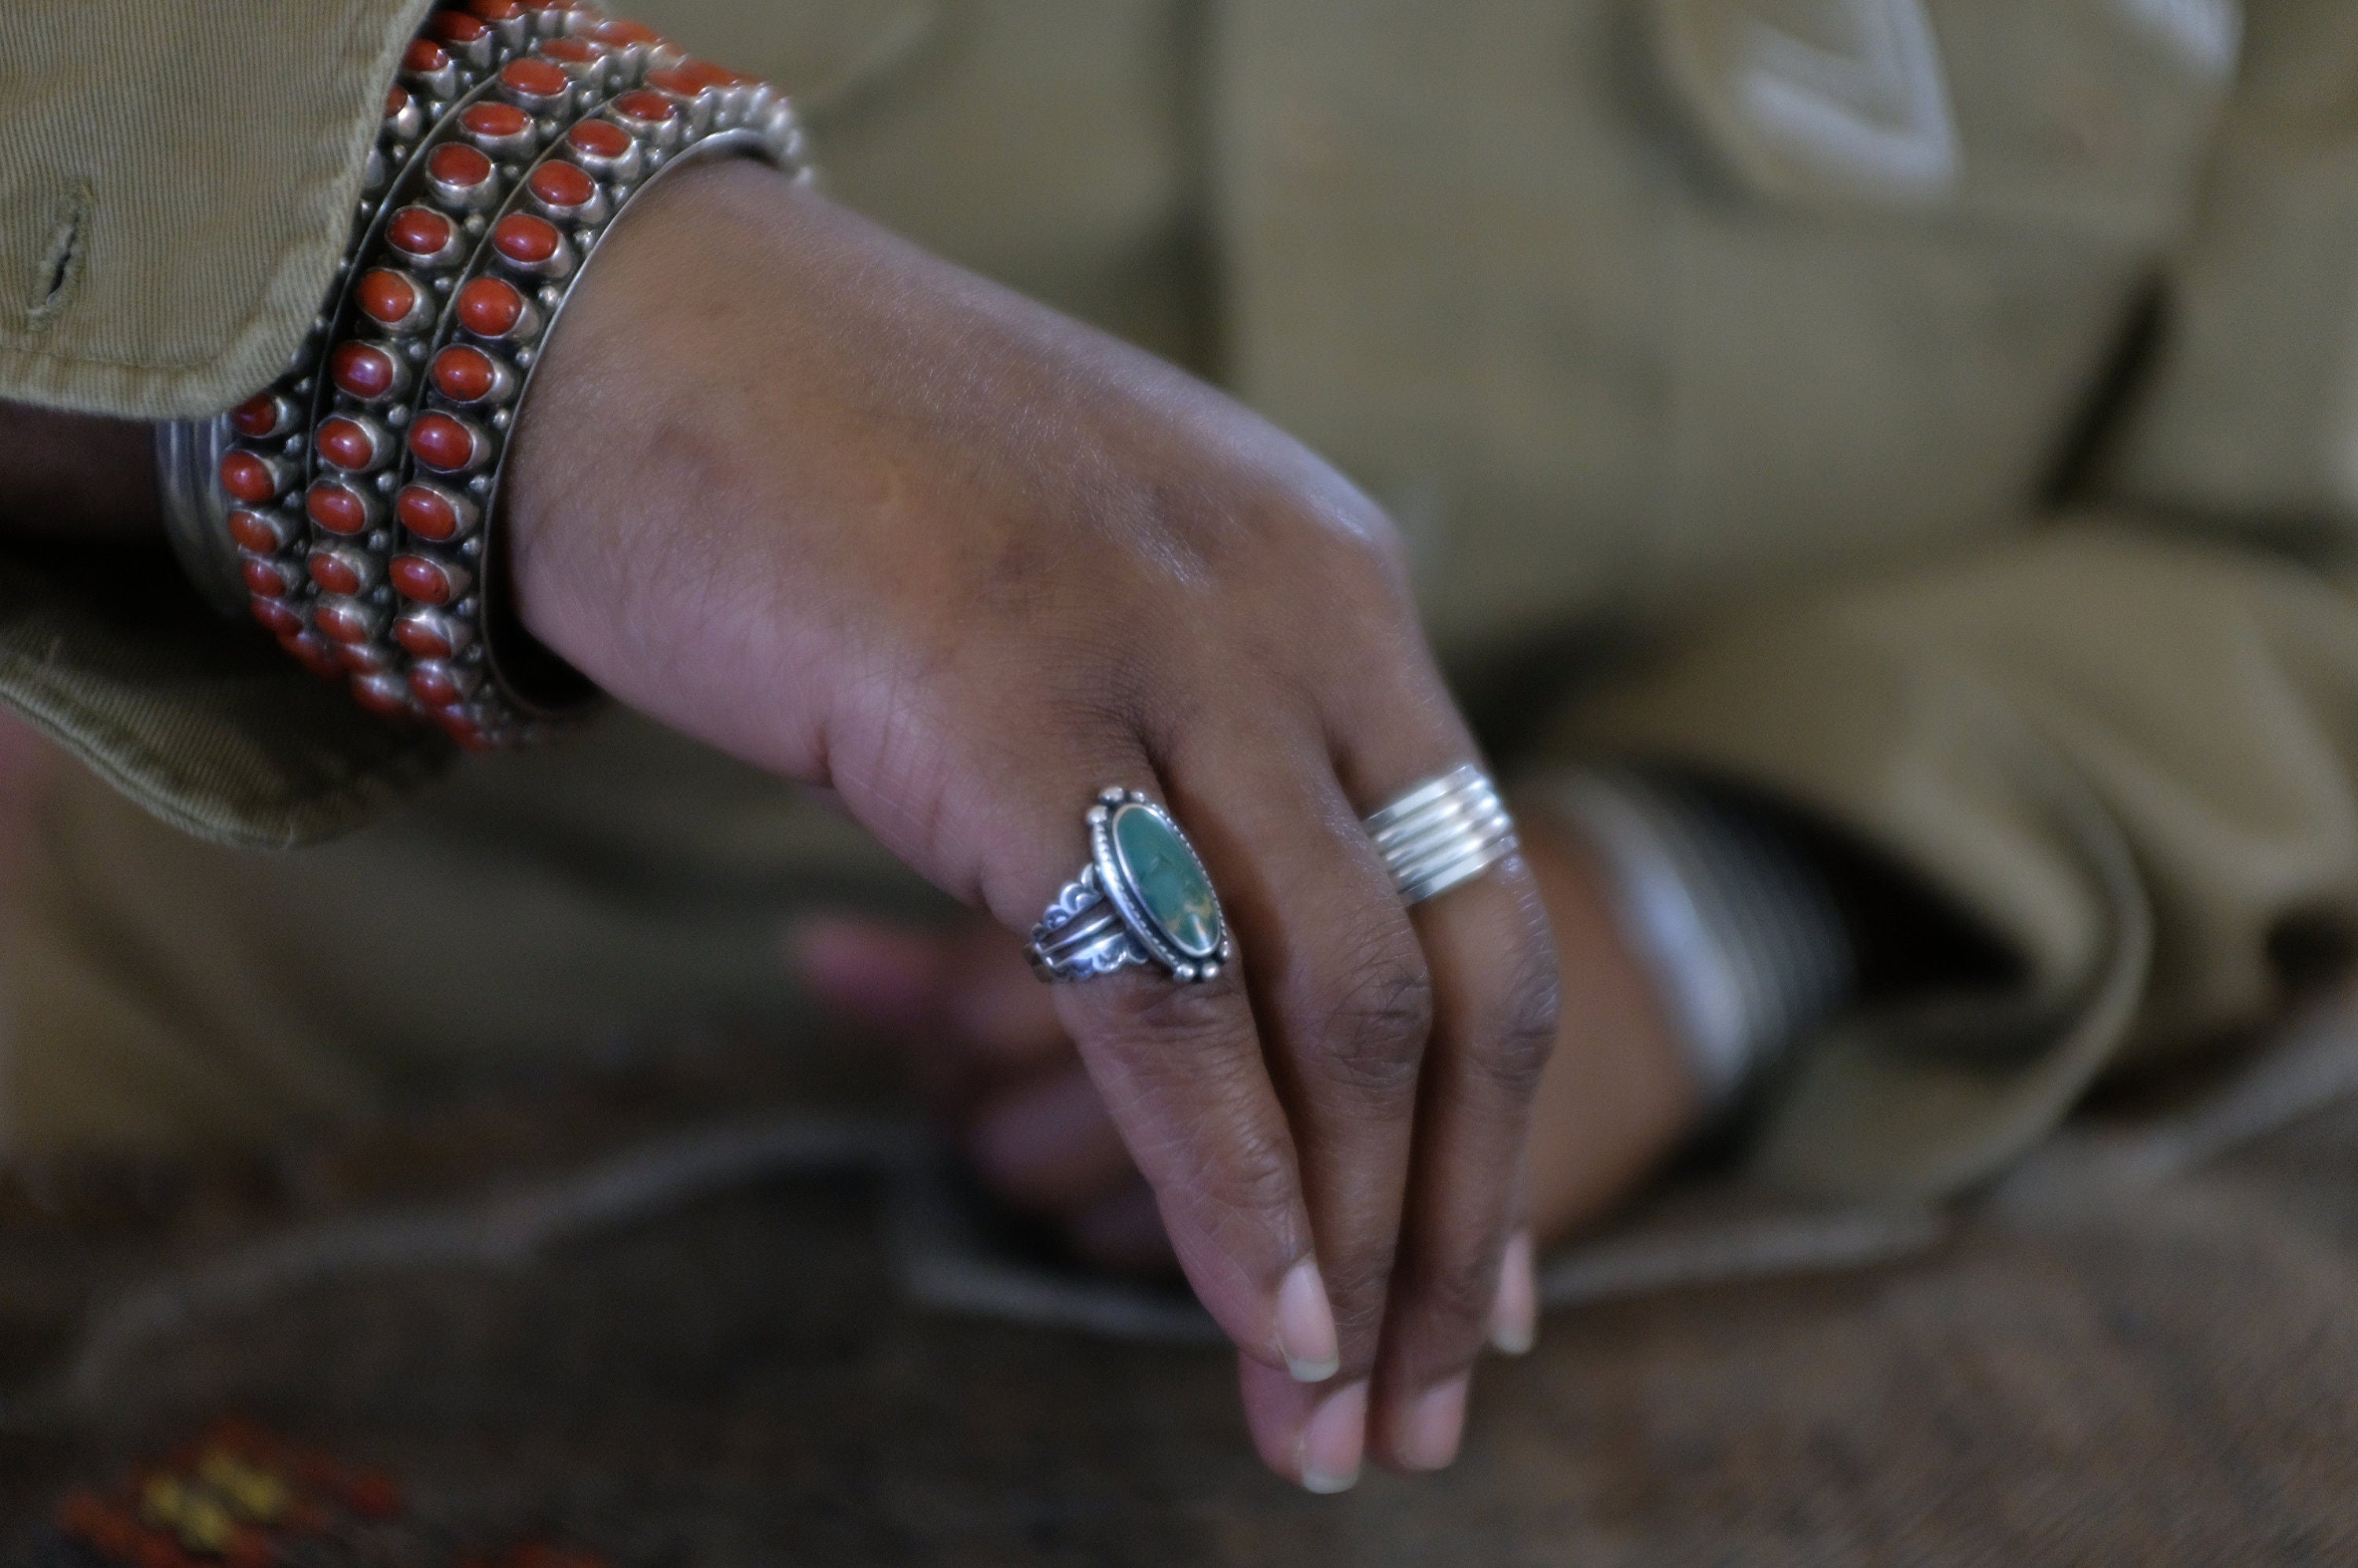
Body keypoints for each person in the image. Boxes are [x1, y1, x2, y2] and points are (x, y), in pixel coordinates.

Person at [0, 0, 2351, 1496]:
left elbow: (2302, 545)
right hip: (261, 1221)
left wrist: (1702, 894)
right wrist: (532, 293)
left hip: (1727, 1260)